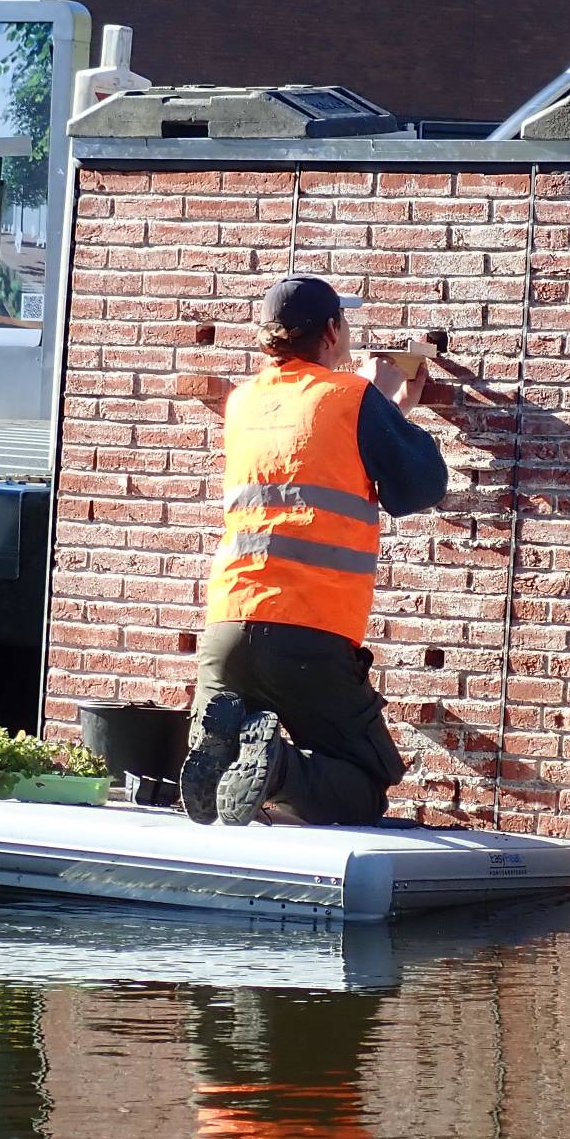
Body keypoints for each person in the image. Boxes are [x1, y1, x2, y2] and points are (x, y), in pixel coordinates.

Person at [181, 275, 447, 828]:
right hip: (309, 630)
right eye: (344, 322)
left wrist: (383, 411)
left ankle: (231, 753)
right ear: (330, 331)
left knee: (225, 769)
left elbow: (315, 453)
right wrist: (385, 406)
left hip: (228, 623)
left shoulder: (242, 402)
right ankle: (277, 770)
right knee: (362, 786)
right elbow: (420, 487)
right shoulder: (351, 397)